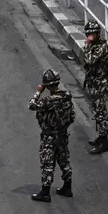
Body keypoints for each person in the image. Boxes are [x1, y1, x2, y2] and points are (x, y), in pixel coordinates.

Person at [28, 68, 74, 202]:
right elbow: (72, 116)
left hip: (49, 136)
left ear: (47, 85)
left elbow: (31, 105)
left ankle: (45, 192)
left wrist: (38, 91)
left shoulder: (48, 101)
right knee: (63, 160)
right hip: (62, 134)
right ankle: (67, 187)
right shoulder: (67, 98)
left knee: (47, 163)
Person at [83, 20, 108, 154]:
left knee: (101, 113)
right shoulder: (96, 46)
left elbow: (89, 60)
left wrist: (87, 45)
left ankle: (104, 141)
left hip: (99, 84)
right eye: (88, 34)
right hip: (94, 82)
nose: (90, 36)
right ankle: (101, 137)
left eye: (92, 34)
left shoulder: (101, 48)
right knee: (97, 111)